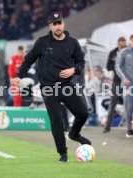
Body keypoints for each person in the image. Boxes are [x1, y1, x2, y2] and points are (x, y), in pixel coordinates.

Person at [12, 12, 91, 163]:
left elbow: (81, 62)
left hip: (67, 86)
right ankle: (63, 154)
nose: (58, 26)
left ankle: (74, 134)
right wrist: (19, 76)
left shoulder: (73, 43)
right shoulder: (42, 42)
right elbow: (28, 60)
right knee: (56, 121)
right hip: (48, 88)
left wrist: (74, 69)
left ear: (63, 24)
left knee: (83, 113)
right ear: (50, 26)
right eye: (54, 24)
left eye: (59, 23)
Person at [103, 37, 126, 133]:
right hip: (116, 82)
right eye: (121, 43)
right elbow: (108, 66)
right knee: (112, 104)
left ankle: (131, 128)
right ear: (118, 43)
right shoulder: (113, 53)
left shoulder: (129, 52)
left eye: (124, 43)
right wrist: (115, 68)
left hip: (127, 82)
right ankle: (107, 126)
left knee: (130, 105)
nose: (122, 44)